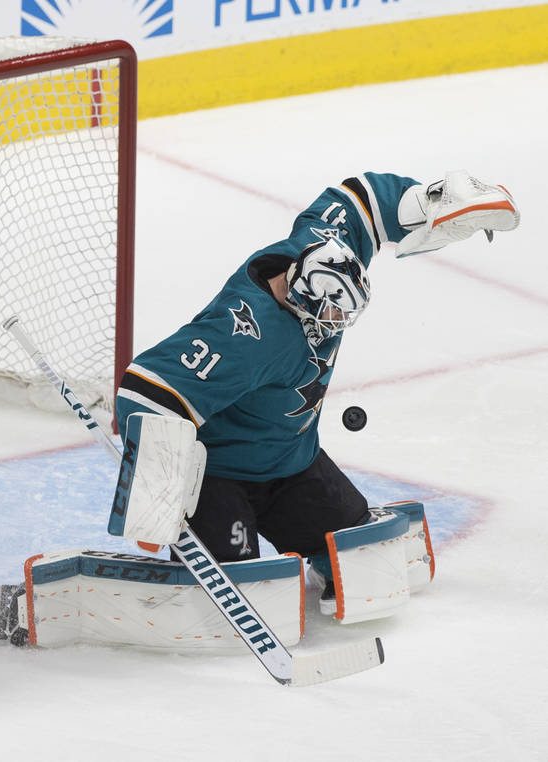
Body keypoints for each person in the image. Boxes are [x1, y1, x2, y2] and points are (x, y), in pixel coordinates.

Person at [115, 170, 519, 590]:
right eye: (330, 316)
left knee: (368, 565)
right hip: (222, 476)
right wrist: (157, 498)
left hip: (293, 463)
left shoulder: (322, 249)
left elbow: (361, 200)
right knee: (237, 590)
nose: (335, 326)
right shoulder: (243, 337)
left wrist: (432, 201)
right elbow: (145, 391)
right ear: (299, 293)